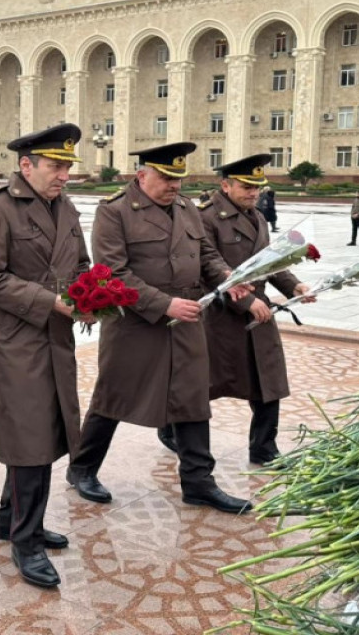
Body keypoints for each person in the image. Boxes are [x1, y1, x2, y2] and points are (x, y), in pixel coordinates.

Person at [66, 142, 252, 515]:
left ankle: (199, 482)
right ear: (142, 175)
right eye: (166, 178)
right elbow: (112, 273)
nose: (174, 186)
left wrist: (228, 277)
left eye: (178, 179)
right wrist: (163, 304)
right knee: (113, 396)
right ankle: (82, 469)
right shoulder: (115, 211)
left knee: (191, 398)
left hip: (187, 317)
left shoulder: (185, 208)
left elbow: (206, 255)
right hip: (136, 322)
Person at [0, 124, 91, 589]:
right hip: (16, 338)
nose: (64, 175)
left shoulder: (65, 206)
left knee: (45, 428)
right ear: (26, 165)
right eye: (56, 166)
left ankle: (10, 520)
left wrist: (90, 296)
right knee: (31, 437)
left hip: (56, 335)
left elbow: (80, 262)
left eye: (67, 167)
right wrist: (50, 302)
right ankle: (26, 541)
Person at [192, 155, 315, 464]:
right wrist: (246, 301)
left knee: (269, 381)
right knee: (202, 385)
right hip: (220, 316)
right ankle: (172, 428)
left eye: (257, 188)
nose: (253, 193)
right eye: (246, 187)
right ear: (225, 184)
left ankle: (264, 447)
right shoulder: (205, 218)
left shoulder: (257, 216)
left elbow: (268, 263)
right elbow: (206, 269)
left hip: (259, 313)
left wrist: (294, 286)